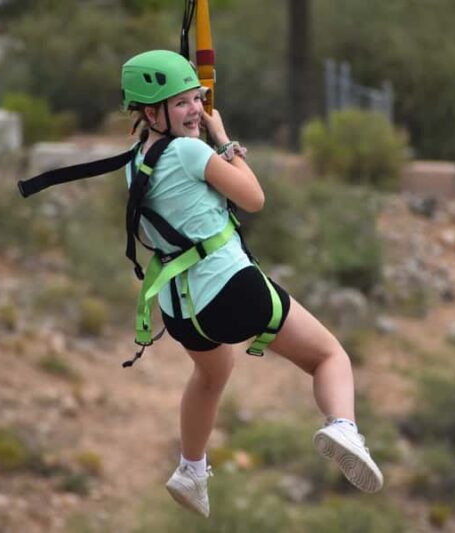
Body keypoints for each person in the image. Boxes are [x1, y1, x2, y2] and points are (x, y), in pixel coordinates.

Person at [121, 50, 383, 518]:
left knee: (212, 374)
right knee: (330, 356)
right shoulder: (189, 149)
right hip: (229, 287)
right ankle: (343, 425)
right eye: (180, 103)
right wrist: (222, 138)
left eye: (195, 99)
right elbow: (254, 198)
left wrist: (203, 133)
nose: (195, 110)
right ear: (149, 112)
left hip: (181, 309)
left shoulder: (135, 162)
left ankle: (191, 469)